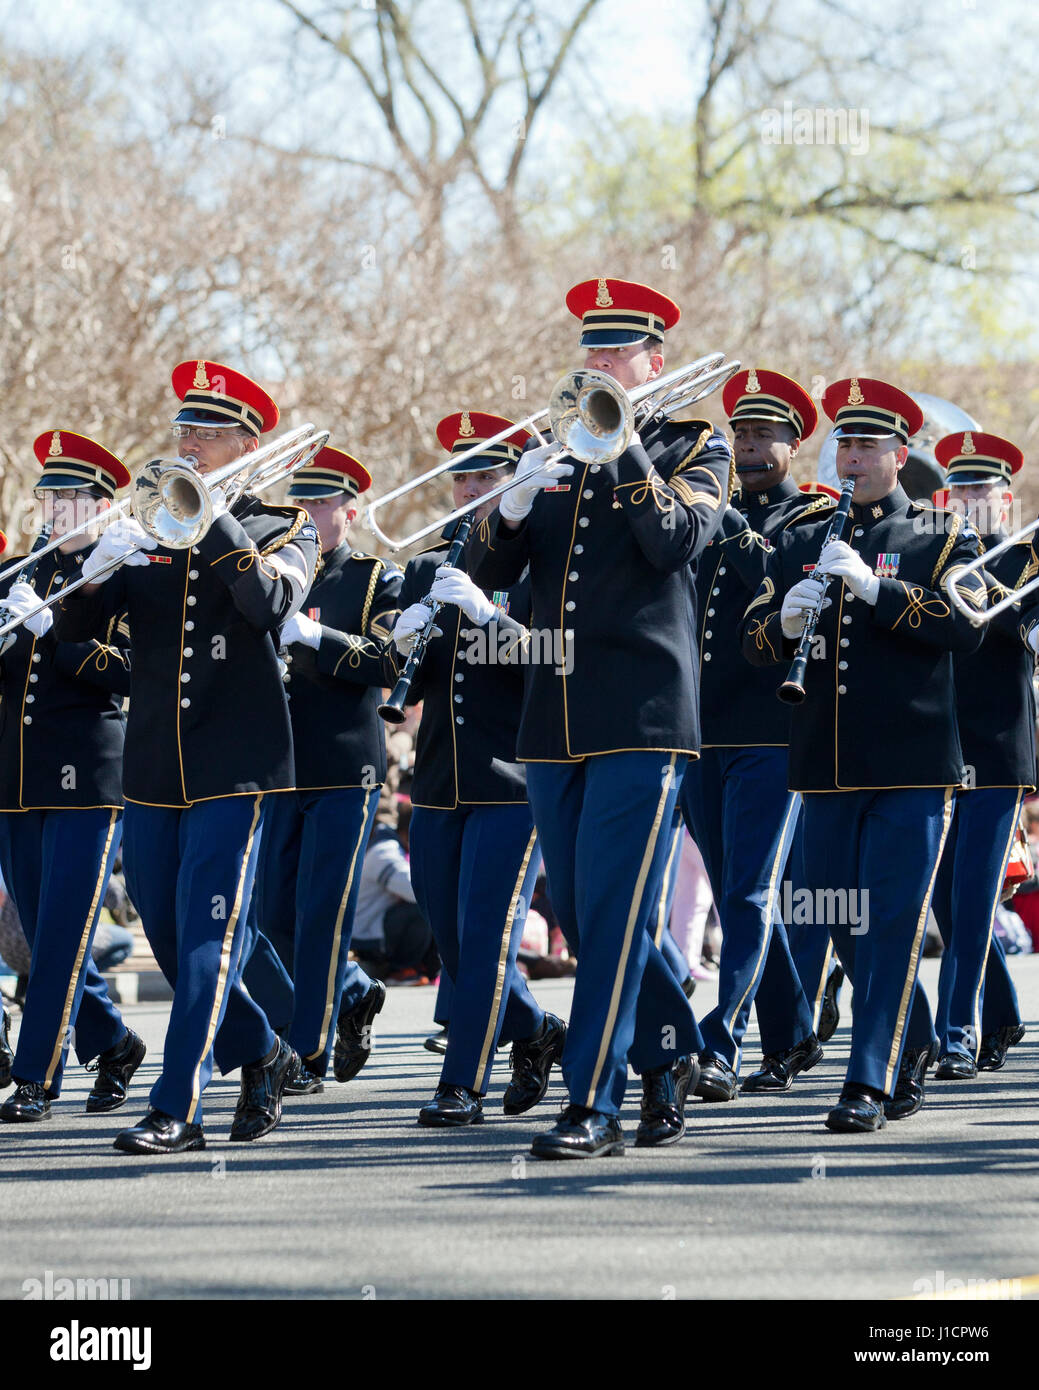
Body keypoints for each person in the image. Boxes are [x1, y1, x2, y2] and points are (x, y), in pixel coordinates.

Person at [468, 277, 733, 1158]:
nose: (597, 363)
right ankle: (671, 1051)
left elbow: (673, 544)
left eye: (615, 351)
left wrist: (619, 448)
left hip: (645, 713)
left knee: (616, 909)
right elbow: (499, 576)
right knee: (585, 914)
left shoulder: (695, 445)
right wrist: (506, 509)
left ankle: (593, 1102)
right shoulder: (557, 447)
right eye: (590, 349)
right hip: (554, 715)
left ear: (654, 361)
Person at [54, 360, 319, 1154]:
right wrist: (91, 567)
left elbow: (272, 603)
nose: (190, 444)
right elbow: (78, 637)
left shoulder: (283, 526)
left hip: (237, 763)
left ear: (249, 442)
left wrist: (213, 516)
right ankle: (264, 1051)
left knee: (208, 937)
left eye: (209, 432)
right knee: (170, 939)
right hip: (154, 766)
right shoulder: (154, 524)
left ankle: (179, 1106)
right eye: (185, 429)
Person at [739, 376, 987, 1133]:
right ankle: (909, 1038)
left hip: (911, 766)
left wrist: (878, 595)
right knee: (835, 916)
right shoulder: (800, 539)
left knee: (891, 922)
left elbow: (965, 626)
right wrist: (782, 620)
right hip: (825, 765)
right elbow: (752, 644)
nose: (849, 457)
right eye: (842, 443)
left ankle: (865, 1081)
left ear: (898, 454)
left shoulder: (941, 538)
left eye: (865, 445)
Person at [388, 410, 565, 1126]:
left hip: (508, 780)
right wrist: (398, 643)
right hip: (436, 782)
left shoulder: (539, 558)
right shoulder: (430, 565)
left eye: (484, 476)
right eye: (459, 477)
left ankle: (461, 1084)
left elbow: (560, 661)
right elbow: (410, 682)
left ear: (514, 480)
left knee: (486, 934)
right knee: (451, 937)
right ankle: (537, 1031)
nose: (467, 489)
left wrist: (497, 623)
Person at [680, 369, 823, 1099]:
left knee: (745, 893)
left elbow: (784, 591)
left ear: (794, 444)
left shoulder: (815, 520)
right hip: (701, 728)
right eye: (739, 431)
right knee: (744, 890)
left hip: (771, 729)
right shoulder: (710, 506)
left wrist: (741, 541)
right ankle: (796, 1031)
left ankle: (720, 1043)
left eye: (764, 433)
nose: (748, 445)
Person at [245, 445, 402, 1093]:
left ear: (350, 510)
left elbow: (391, 662)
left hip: (343, 766)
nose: (307, 511)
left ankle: (304, 1053)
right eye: (300, 500)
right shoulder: (273, 570)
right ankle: (353, 989)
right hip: (278, 764)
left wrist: (318, 642)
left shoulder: (373, 579)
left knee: (319, 914)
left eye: (320, 501)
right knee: (267, 914)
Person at [0, 433, 145, 1124]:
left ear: (103, 506)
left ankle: (35, 1077)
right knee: (36, 929)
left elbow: (130, 674)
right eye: (49, 495)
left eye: (71, 497)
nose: (56, 508)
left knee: (61, 932)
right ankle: (113, 1042)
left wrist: (55, 630)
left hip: (86, 774)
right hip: (18, 778)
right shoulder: (19, 572)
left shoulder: (121, 571)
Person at [929, 429, 1035, 1077]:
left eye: (980, 488)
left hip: (996, 747)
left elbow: (1013, 623)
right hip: (934, 744)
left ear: (1003, 497)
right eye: (959, 487)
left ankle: (956, 1033)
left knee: (972, 898)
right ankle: (999, 1011)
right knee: (941, 900)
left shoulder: (1024, 557)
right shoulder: (929, 552)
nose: (968, 497)